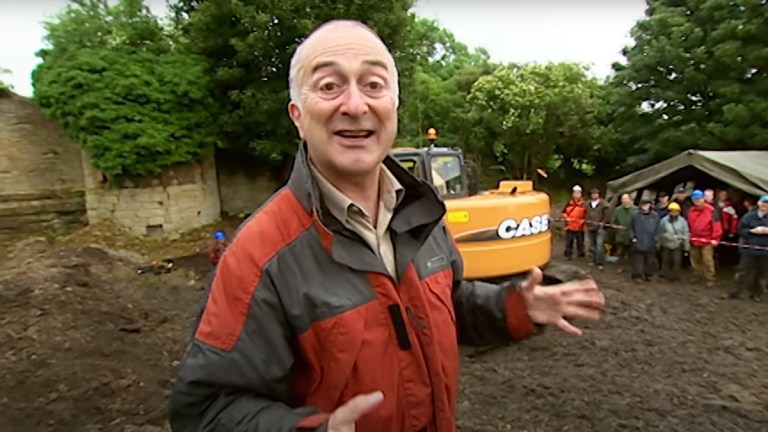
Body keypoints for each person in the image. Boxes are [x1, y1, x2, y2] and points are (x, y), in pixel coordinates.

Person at [168, 20, 605, 432]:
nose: (355, 104)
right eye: (329, 85)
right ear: (297, 116)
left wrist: (517, 307)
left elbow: (448, 302)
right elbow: (207, 409)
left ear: (393, 107)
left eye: (373, 85)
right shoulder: (259, 256)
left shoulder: (424, 214)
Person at [724, 195, 768, 302]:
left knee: (762, 275)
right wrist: (752, 231)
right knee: (742, 272)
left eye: (767, 204)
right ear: (759, 203)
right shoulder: (748, 217)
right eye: (763, 202)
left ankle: (757, 294)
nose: (765, 205)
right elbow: (740, 231)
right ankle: (734, 293)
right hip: (749, 250)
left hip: (765, 252)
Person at [687, 189, 722, 287]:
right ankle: (697, 275)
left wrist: (716, 238)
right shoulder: (691, 211)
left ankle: (710, 278)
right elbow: (689, 224)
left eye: (699, 198)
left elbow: (717, 225)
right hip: (694, 239)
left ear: (703, 198)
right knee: (695, 259)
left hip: (707, 239)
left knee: (707, 260)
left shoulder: (711, 210)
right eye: (695, 199)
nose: (697, 200)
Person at [629, 199, 661, 282]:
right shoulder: (635, 215)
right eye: (643, 204)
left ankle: (649, 275)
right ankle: (637, 276)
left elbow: (658, 228)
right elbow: (630, 227)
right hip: (638, 240)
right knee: (638, 260)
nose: (645, 206)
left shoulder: (655, 215)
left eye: (647, 204)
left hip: (651, 241)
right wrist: (633, 237)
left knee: (650, 260)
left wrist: (656, 238)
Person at [657, 202, 690, 282]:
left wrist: (686, 247)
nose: (674, 212)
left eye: (676, 211)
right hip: (666, 244)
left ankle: (675, 277)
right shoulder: (663, 221)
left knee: (676, 261)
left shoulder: (683, 221)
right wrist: (658, 244)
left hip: (677, 244)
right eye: (672, 211)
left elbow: (686, 233)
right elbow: (659, 232)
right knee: (665, 260)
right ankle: (665, 275)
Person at [584, 188, 610, 269]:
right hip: (590, 226)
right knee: (593, 245)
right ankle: (594, 260)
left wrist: (603, 222)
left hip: (600, 227)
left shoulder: (604, 204)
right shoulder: (587, 203)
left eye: (596, 194)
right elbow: (585, 213)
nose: (594, 195)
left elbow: (607, 215)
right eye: (593, 194)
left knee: (599, 245)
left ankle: (600, 263)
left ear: (599, 195)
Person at [562, 185, 586, 260]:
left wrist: (583, 220)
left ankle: (581, 254)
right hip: (570, 226)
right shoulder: (569, 203)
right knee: (569, 241)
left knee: (580, 241)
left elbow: (587, 214)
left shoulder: (584, 204)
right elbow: (564, 212)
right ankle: (568, 254)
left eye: (578, 193)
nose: (576, 194)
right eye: (575, 193)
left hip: (580, 226)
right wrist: (566, 218)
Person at [610, 193, 637, 261]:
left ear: (630, 199)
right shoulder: (617, 210)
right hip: (620, 235)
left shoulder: (636, 210)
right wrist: (617, 227)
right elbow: (613, 222)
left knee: (632, 253)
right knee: (620, 252)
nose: (625, 201)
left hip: (632, 235)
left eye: (626, 199)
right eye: (623, 199)